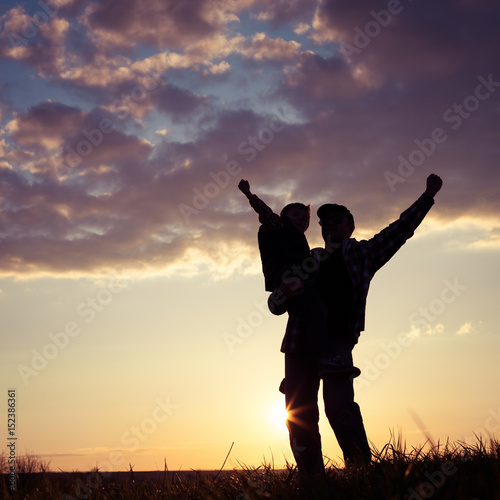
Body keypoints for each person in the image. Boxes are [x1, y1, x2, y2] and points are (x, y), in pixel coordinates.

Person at [268, 173, 443, 475]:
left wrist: (427, 196)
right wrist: (282, 293)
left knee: (338, 407)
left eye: (336, 219)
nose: (329, 225)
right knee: (298, 415)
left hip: (336, 342)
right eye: (324, 223)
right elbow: (274, 305)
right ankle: (314, 482)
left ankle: (362, 472)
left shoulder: (362, 254)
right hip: (298, 345)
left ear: (350, 226)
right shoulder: (310, 260)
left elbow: (400, 230)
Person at [238, 180, 343, 376]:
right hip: (287, 275)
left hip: (298, 278)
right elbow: (266, 213)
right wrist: (249, 195)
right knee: (315, 308)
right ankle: (322, 359)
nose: (301, 220)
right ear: (283, 217)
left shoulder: (302, 247)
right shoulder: (279, 227)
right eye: (296, 215)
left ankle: (295, 374)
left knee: (311, 309)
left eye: (305, 219)